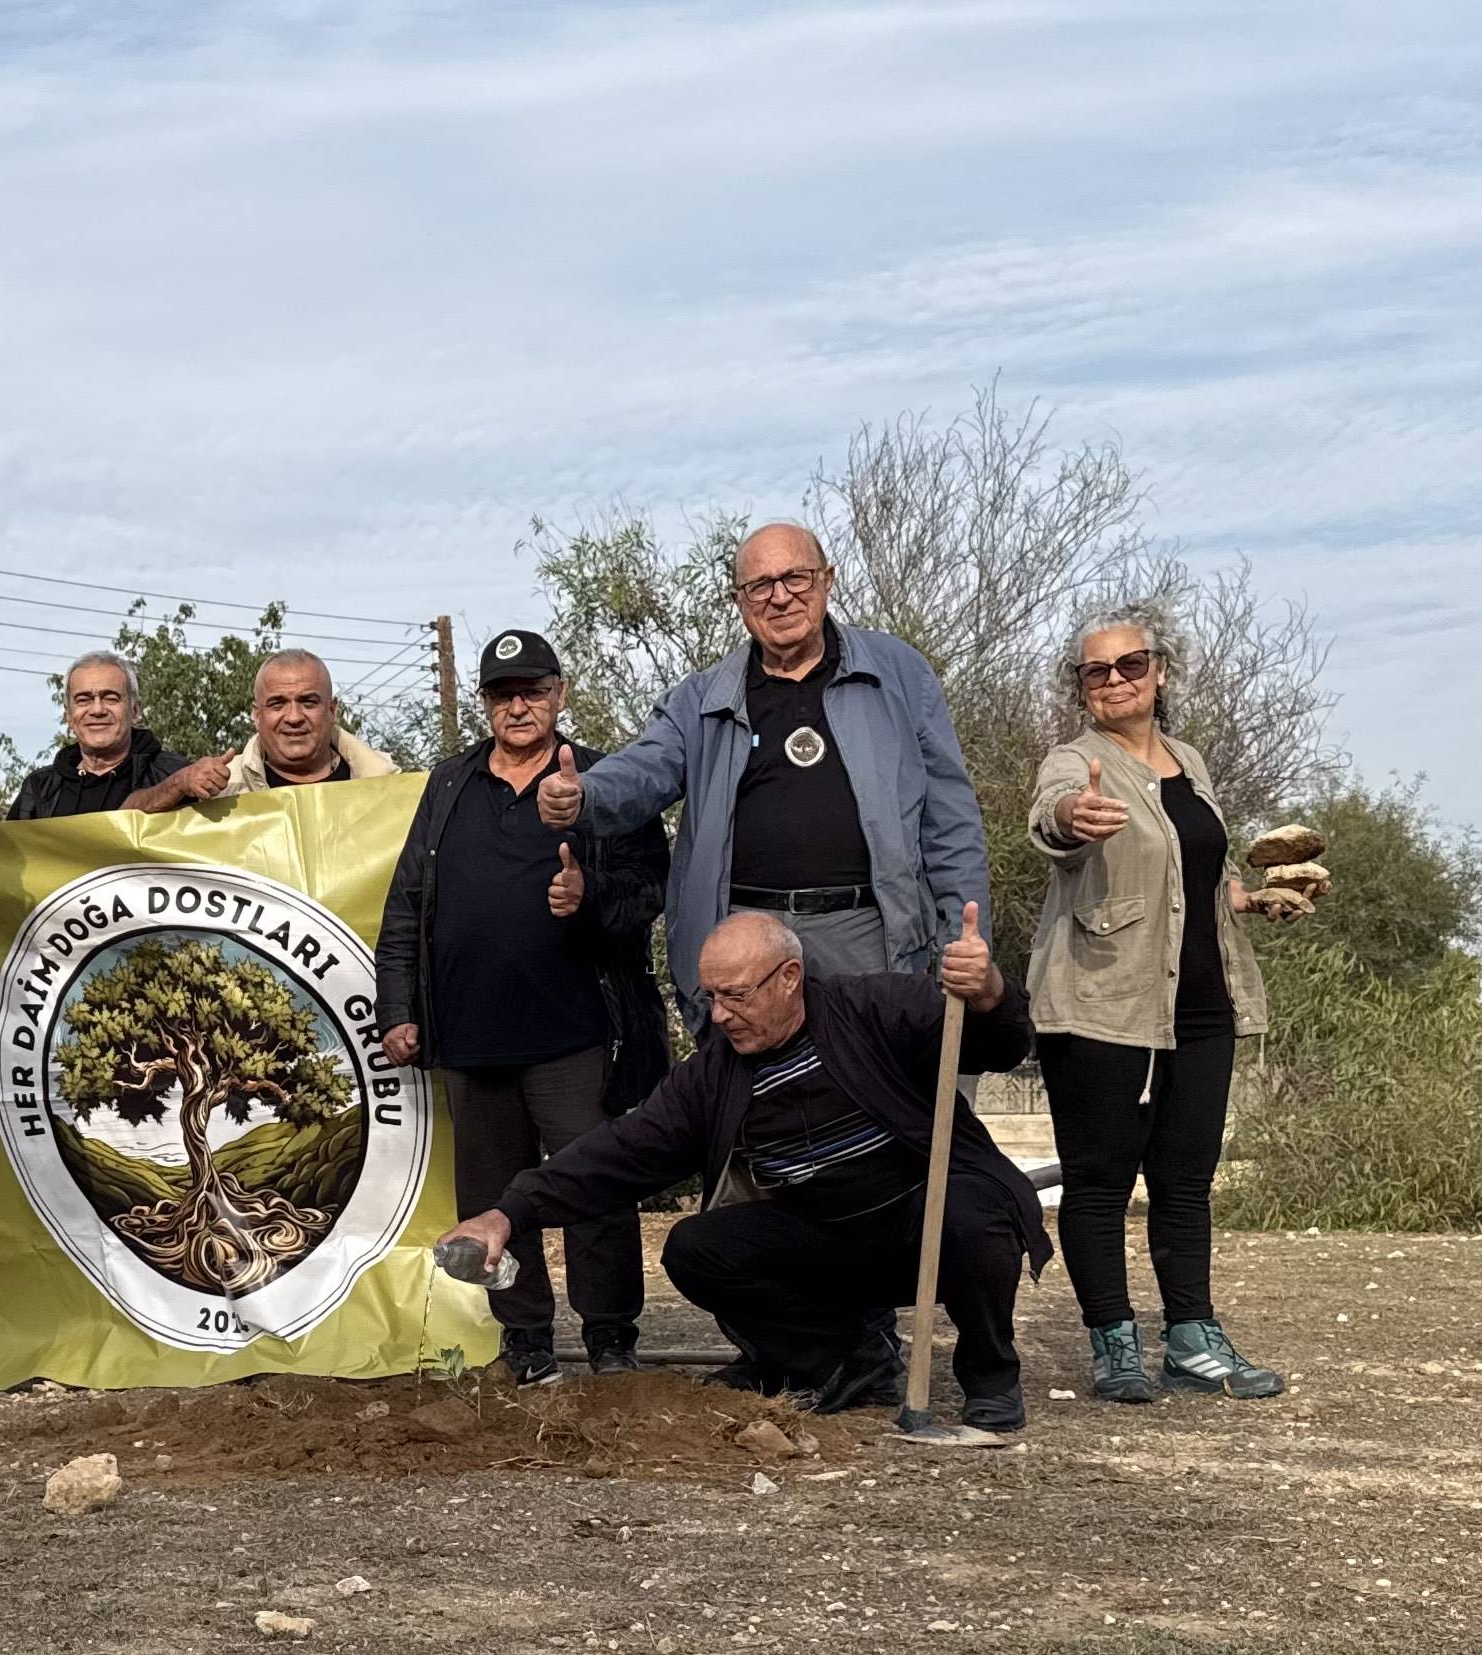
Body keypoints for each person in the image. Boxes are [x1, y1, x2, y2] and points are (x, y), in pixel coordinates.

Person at [445, 909, 1047, 1434]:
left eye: (736, 995)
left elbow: (1000, 1045)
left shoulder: (877, 1007)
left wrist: (989, 991)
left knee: (974, 1206)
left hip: (927, 1221)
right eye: (711, 997)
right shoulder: (712, 1077)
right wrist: (508, 1212)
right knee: (696, 1247)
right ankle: (846, 1361)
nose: (722, 1015)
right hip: (826, 1242)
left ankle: (992, 1380)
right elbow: (619, 1153)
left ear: (789, 979)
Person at [371, 628, 668, 1382]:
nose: (519, 705)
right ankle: (526, 1337)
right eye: (504, 694)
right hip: (470, 1035)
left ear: (561, 694)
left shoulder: (602, 781)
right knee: (494, 1196)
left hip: (574, 1033)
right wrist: (398, 1007)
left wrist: (589, 894)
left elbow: (649, 893)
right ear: (484, 703)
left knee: (595, 1182)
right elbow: (407, 906)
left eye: (534, 690)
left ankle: (610, 1335)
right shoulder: (447, 788)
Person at [541, 522, 986, 1012]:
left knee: (869, 1083)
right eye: (760, 586)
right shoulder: (703, 697)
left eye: (796, 577)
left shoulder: (898, 673)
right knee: (751, 1089)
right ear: (739, 600)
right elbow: (647, 765)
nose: (781, 597)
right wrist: (586, 793)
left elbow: (951, 822)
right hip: (746, 938)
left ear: (827, 580)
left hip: (868, 935)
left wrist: (965, 938)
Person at [1024, 612, 1290, 1404]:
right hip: (1102, 1002)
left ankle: (1191, 1338)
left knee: (1185, 1179)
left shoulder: (1192, 762)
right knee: (1100, 1181)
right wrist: (1074, 820)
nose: (1114, 680)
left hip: (1202, 1006)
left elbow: (1188, 877)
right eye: (1095, 672)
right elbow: (1054, 819)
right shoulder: (1074, 763)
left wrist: (1248, 897)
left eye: (1129, 664)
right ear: (1081, 688)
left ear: (1161, 671)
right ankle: (1112, 1341)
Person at [8, 649, 228, 818]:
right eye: (84, 699)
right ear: (68, 715)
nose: (97, 710)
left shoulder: (177, 774)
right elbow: (9, 865)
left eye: (110, 698)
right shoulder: (38, 789)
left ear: (135, 710)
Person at [221, 650, 397, 788]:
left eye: (308, 702)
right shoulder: (221, 789)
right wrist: (192, 796)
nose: (294, 717)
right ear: (257, 715)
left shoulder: (392, 787)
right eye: (278, 704)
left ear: (332, 710)